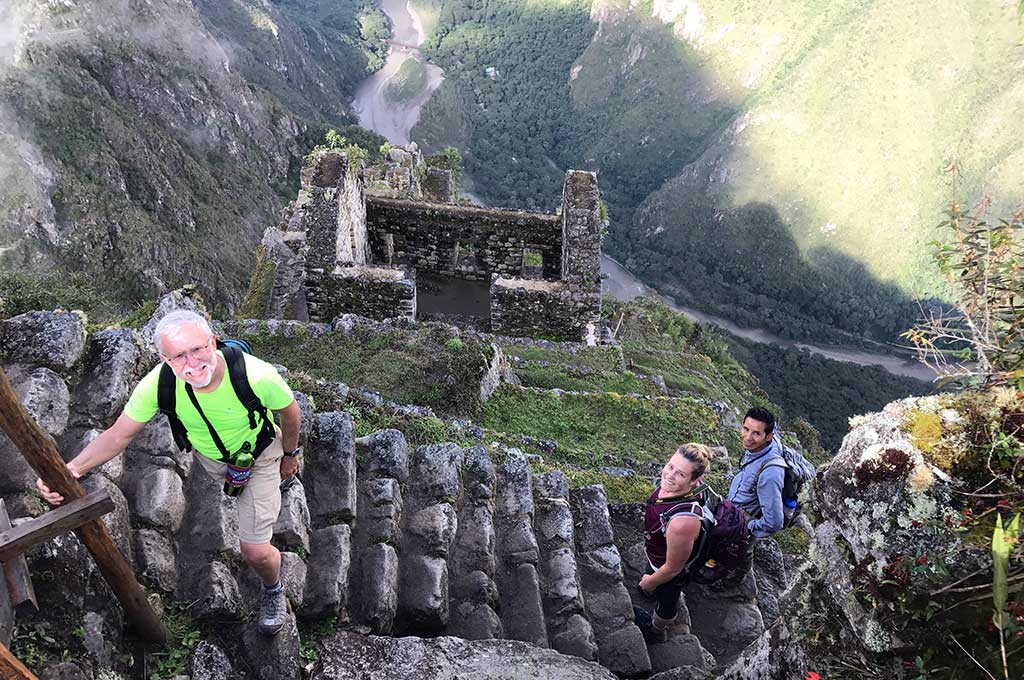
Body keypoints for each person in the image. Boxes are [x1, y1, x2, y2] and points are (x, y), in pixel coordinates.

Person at [35, 310, 302, 635]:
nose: (191, 364)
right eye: (178, 356)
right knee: (234, 490)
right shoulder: (159, 385)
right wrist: (69, 470)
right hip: (214, 459)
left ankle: (273, 588)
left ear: (213, 342)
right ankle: (247, 498)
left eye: (198, 349)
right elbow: (119, 434)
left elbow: (289, 413)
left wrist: (289, 454)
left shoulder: (256, 375)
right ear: (165, 359)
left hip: (260, 454)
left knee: (255, 550)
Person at [636, 443, 714, 642]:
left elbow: (672, 568)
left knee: (668, 603)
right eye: (670, 466)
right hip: (658, 553)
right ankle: (652, 590)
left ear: (694, 481)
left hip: (671, 571)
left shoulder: (683, 522)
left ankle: (656, 630)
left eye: (680, 474)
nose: (669, 476)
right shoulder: (673, 489)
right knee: (655, 580)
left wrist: (650, 582)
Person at [718, 406, 786, 581]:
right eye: (746, 429)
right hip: (735, 510)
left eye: (756, 433)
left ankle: (734, 583)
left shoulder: (770, 474)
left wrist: (749, 525)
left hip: (742, 526)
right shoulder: (761, 446)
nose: (748, 437)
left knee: (739, 553)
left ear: (768, 437)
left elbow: (775, 522)